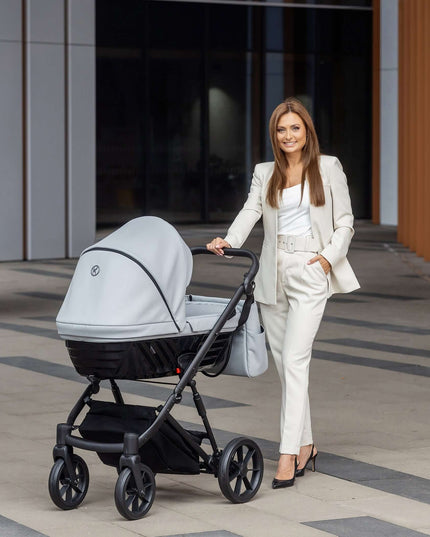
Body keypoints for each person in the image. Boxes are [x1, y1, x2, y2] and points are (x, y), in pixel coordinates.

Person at [206, 97, 360, 489]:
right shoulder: (266, 172)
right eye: (281, 129)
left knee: (294, 361)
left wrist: (326, 260)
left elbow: (345, 222)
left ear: (306, 130)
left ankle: (288, 453)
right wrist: (230, 238)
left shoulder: (327, 167)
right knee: (288, 367)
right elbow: (249, 211)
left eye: (295, 127)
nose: (289, 135)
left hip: (311, 269)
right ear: (274, 135)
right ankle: (307, 444)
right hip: (272, 277)